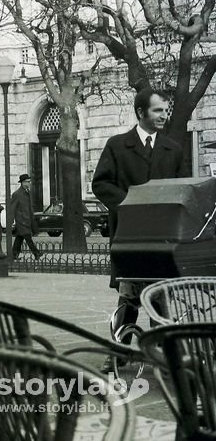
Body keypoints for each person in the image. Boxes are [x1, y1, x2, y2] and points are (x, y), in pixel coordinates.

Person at [92, 88, 186, 373]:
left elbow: (182, 190)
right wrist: (130, 204)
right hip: (129, 235)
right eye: (158, 110)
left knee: (160, 293)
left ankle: (165, 353)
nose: (164, 115)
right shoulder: (117, 145)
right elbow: (101, 183)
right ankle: (119, 350)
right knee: (129, 293)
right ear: (140, 112)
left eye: (165, 110)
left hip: (162, 236)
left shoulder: (173, 149)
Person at [8, 174, 43, 260]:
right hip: (21, 220)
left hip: (27, 219)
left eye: (29, 181)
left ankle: (14, 255)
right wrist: (11, 221)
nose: (29, 183)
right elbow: (12, 208)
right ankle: (36, 253)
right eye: (27, 181)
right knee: (28, 237)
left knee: (19, 238)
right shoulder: (17, 194)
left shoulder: (27, 193)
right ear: (22, 183)